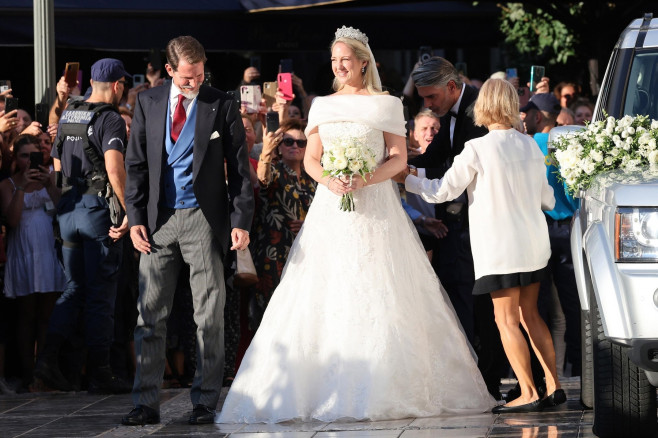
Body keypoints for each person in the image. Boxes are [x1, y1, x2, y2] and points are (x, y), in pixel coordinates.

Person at [217, 26, 495, 424]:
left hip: (377, 205)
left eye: (345, 59)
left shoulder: (387, 104)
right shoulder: (323, 106)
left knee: (382, 288)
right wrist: (328, 179)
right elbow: (312, 158)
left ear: (363, 61)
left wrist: (365, 179)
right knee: (325, 290)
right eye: (334, 60)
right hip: (332, 208)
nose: (339, 66)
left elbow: (398, 158)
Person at [402, 78, 565, 414]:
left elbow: (442, 191)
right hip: (534, 242)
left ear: (484, 106)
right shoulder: (530, 145)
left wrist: (406, 179)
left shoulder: (477, 148)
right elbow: (547, 200)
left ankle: (530, 391)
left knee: (506, 320)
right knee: (532, 315)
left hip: (499, 248)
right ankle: (554, 385)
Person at [121, 35, 253, 427]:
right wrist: (135, 216)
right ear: (170, 71)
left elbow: (241, 171)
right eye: (186, 77)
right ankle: (145, 402)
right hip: (157, 221)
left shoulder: (222, 103)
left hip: (203, 219)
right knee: (150, 315)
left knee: (209, 315)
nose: (194, 82)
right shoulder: (147, 102)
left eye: (199, 75)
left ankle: (205, 401)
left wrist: (240, 222)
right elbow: (137, 164)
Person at [407, 56, 506, 400]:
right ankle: (481, 380)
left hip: (476, 222)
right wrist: (401, 160)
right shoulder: (449, 112)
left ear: (451, 87)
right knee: (469, 301)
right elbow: (436, 154)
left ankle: (492, 381)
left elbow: (459, 176)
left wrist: (403, 176)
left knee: (482, 305)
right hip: (458, 223)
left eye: (431, 97)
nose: (428, 105)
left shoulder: (479, 112)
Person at [34, 58, 132, 394]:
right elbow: (115, 169)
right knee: (101, 293)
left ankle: (47, 359)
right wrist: (128, 210)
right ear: (118, 85)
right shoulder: (110, 119)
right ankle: (101, 372)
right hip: (96, 211)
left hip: (69, 208)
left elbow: (57, 164)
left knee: (75, 288)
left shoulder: (70, 113)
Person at [520, 93, 581, 378]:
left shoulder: (529, 145)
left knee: (538, 306)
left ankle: (544, 373)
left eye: (528, 113)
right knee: (572, 305)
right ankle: (582, 370)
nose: (525, 118)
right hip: (568, 228)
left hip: (539, 228)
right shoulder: (569, 144)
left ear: (539, 116)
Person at [0, 134, 65, 391]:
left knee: (47, 316)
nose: (29, 161)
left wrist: (50, 185)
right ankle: (28, 374)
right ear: (16, 158)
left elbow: (63, 207)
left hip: (48, 250)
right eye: (24, 156)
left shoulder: (51, 176)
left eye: (33, 155)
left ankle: (45, 372)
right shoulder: (7, 184)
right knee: (26, 315)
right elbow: (12, 221)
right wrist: (23, 189)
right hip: (23, 251)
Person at [250, 118, 317, 329]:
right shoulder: (274, 169)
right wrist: (266, 154)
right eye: (288, 142)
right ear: (279, 145)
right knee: (272, 317)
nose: (295, 146)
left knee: (302, 316)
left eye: (301, 142)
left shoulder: (313, 177)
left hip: (308, 256)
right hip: (273, 254)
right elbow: (262, 179)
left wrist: (309, 224)